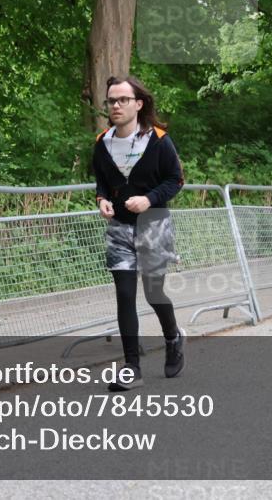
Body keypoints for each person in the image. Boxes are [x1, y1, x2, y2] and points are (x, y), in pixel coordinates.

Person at [92, 75, 186, 391]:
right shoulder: (102, 142)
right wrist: (102, 200)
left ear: (138, 104)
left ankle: (173, 337)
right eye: (111, 100)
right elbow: (102, 182)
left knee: (153, 293)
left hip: (154, 224)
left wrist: (148, 199)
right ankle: (132, 367)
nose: (116, 105)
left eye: (123, 100)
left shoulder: (158, 140)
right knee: (124, 295)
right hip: (119, 226)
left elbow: (176, 180)